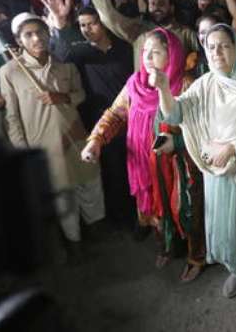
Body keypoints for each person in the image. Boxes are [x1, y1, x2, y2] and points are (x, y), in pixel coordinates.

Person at [155, 23, 236, 316]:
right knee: (227, 228)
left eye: (224, 45)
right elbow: (175, 113)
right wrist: (164, 87)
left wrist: (232, 148)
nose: (217, 52)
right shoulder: (205, 84)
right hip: (218, 177)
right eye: (211, 47)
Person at [81, 28, 206, 282]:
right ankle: (166, 246)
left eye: (156, 52)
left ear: (171, 55)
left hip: (179, 162)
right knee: (151, 208)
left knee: (187, 209)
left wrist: (178, 142)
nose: (148, 57)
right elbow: (115, 114)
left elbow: (202, 128)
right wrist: (96, 140)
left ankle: (196, 256)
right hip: (142, 162)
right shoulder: (133, 84)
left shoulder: (185, 83)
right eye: (145, 52)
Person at [0, 13, 103, 252]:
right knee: (61, 194)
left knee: (90, 183)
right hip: (42, 144)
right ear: (19, 40)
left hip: (75, 136)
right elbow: (12, 117)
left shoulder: (65, 65)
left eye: (41, 32)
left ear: (48, 34)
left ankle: (97, 227)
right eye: (29, 35)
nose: (36, 38)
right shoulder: (10, 71)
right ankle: (74, 241)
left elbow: (81, 95)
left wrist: (63, 97)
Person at [40, 0, 135, 230]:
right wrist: (61, 25)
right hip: (101, 124)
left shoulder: (126, 48)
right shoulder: (80, 53)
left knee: (137, 168)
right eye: (82, 25)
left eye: (92, 23)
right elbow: (59, 56)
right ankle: (123, 219)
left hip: (133, 119)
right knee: (113, 172)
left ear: (103, 22)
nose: (87, 29)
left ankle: (143, 216)